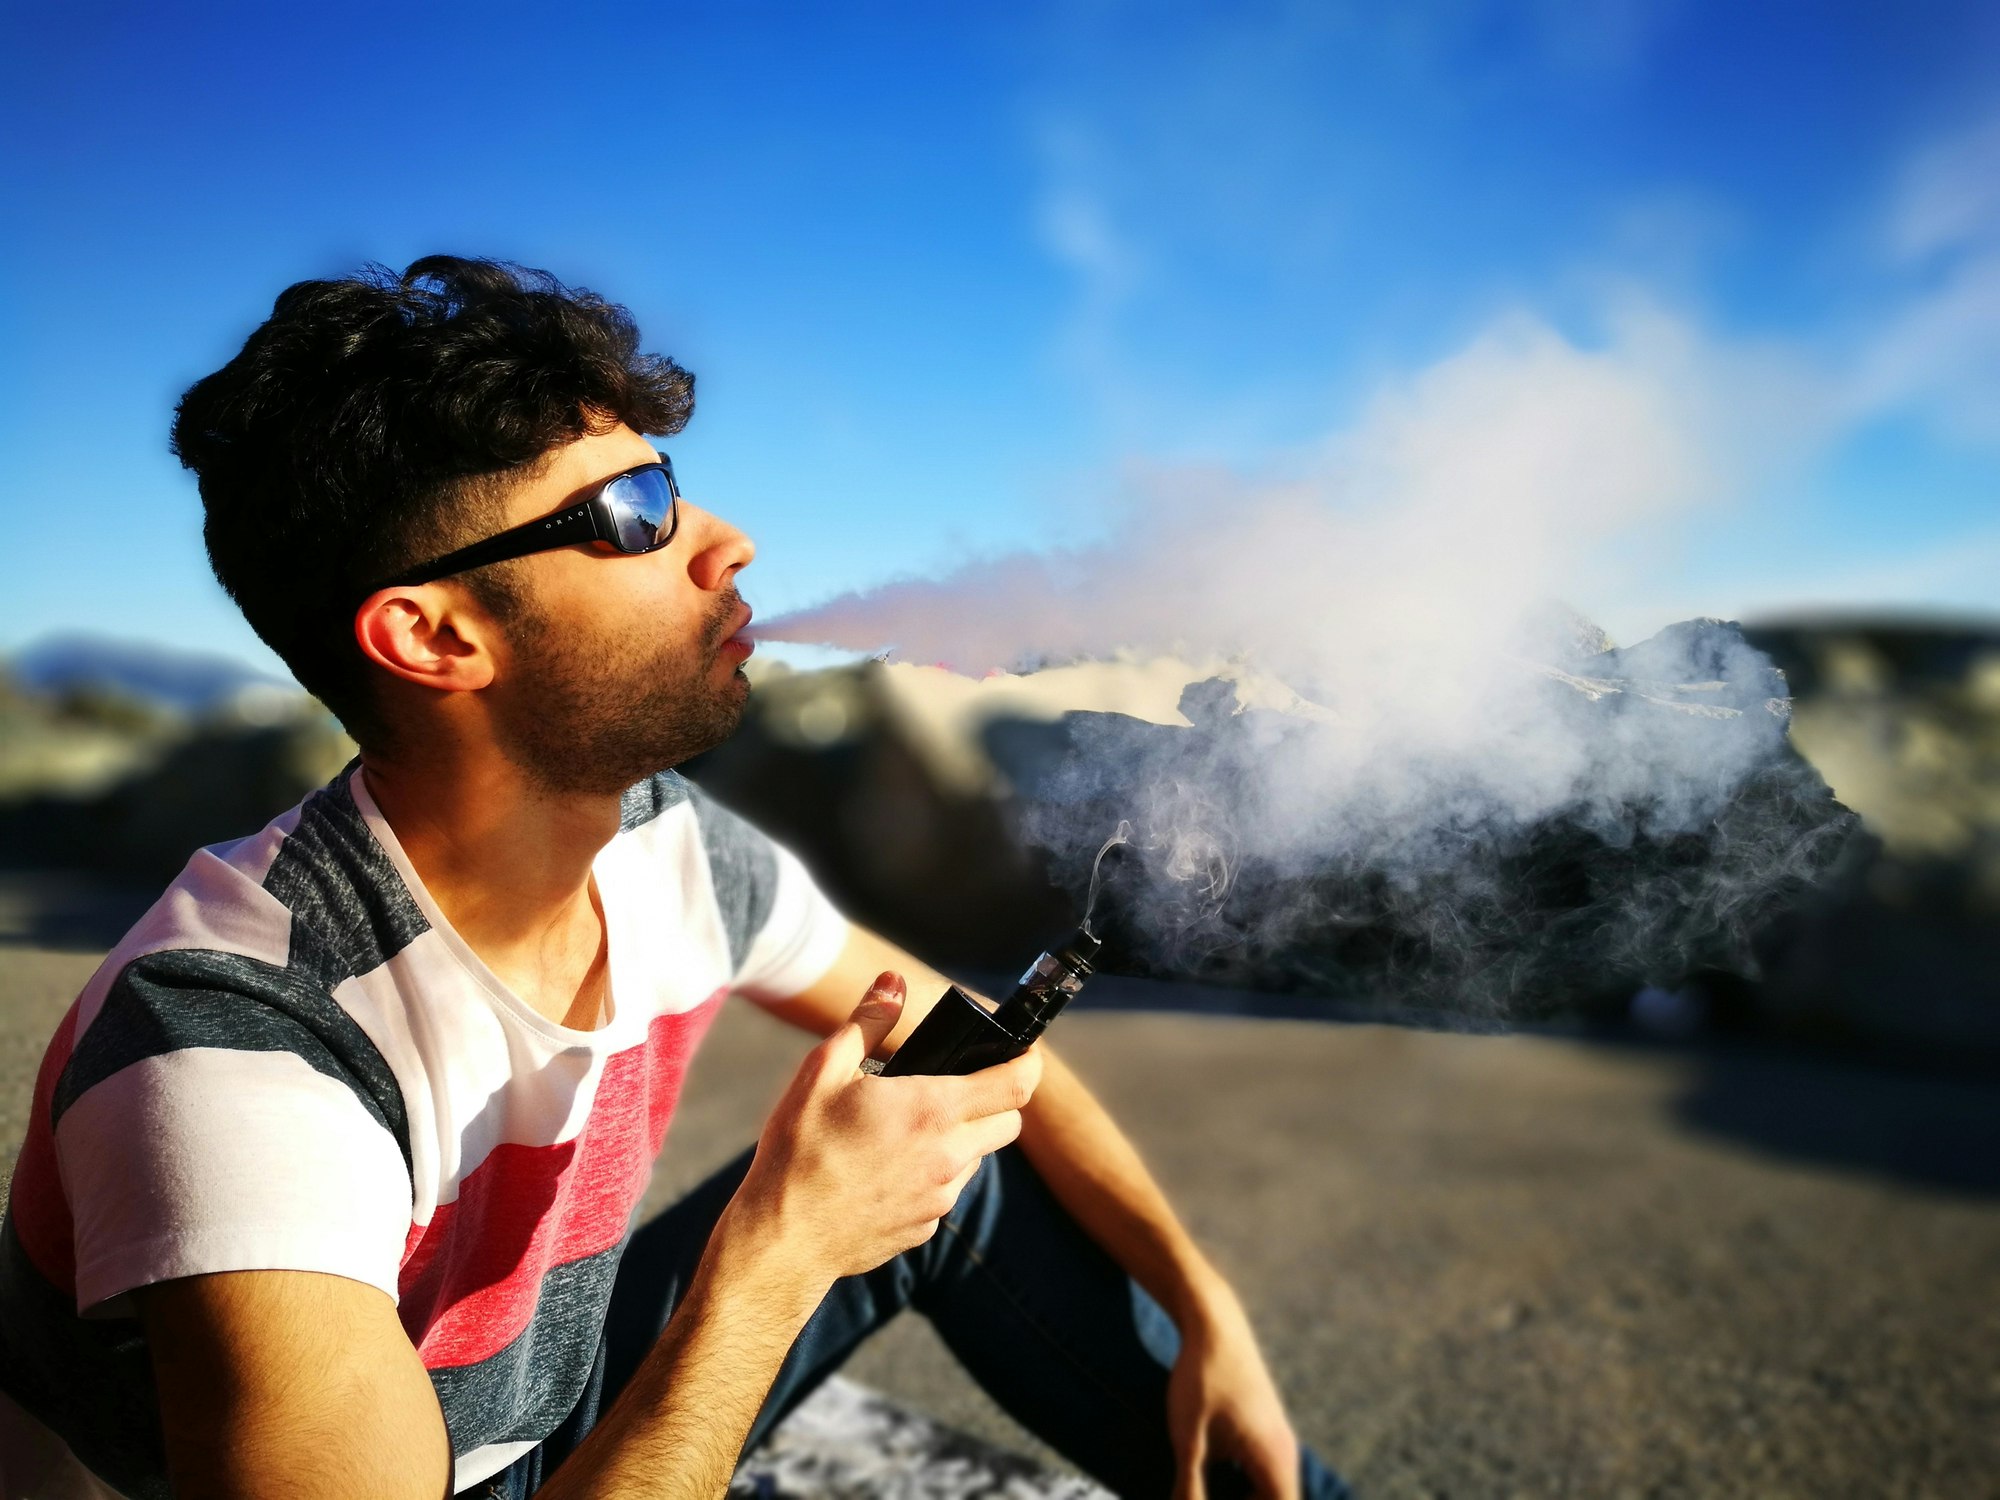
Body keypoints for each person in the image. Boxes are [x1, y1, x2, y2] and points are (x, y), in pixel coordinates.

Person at [0, 257, 1346, 1500]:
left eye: (674, 482)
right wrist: (782, 1253)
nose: (731, 540)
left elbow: (980, 1054)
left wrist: (1205, 1312)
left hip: (530, 1427)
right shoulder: (232, 1055)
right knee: (835, 1204)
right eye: (632, 516)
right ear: (432, 633)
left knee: (951, 1165)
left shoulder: (660, 841)